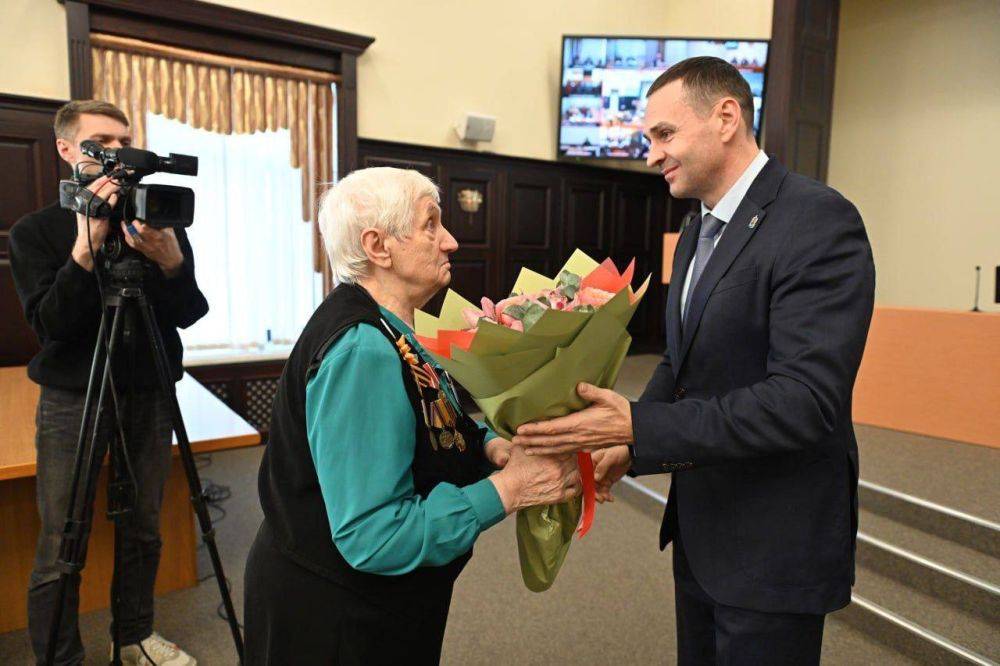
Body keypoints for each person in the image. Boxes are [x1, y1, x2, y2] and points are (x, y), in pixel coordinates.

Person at [514, 56, 876, 664]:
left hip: (774, 543)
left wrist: (638, 425)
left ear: (727, 117)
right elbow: (680, 366)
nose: (651, 154)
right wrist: (628, 445)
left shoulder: (818, 220)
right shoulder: (694, 231)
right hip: (703, 532)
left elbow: (806, 402)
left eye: (664, 134)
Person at [244, 167, 581, 665]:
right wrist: (510, 490)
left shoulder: (391, 328)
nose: (450, 242)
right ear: (379, 246)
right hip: (337, 616)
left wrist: (489, 444)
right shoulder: (364, 349)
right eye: (430, 225)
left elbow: (432, 412)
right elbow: (375, 536)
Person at [9, 100, 207, 665]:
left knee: (144, 525)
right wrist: (84, 250)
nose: (120, 154)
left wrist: (170, 262)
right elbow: (51, 326)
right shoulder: (36, 233)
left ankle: (134, 636)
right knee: (60, 539)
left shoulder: (155, 217)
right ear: (67, 150)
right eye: (104, 142)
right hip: (74, 398)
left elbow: (190, 311)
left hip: (148, 390)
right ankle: (59, 656)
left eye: (125, 141)